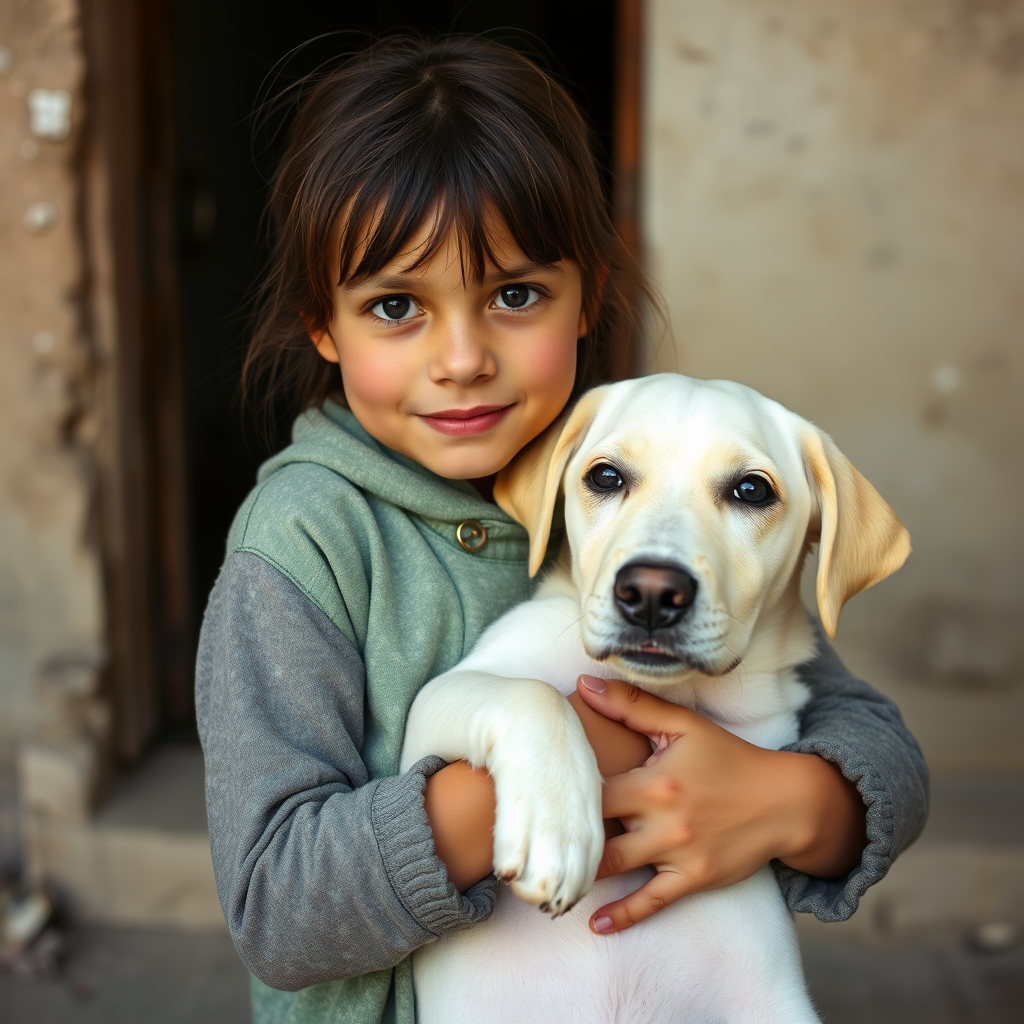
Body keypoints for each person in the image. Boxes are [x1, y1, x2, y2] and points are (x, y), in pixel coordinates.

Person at [196, 35, 928, 1024]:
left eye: (513, 295)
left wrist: (798, 803)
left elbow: (868, 737)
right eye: (397, 305)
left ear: (587, 293)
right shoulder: (299, 544)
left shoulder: (641, 470)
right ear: (321, 326)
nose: (461, 360)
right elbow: (277, 909)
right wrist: (551, 752)